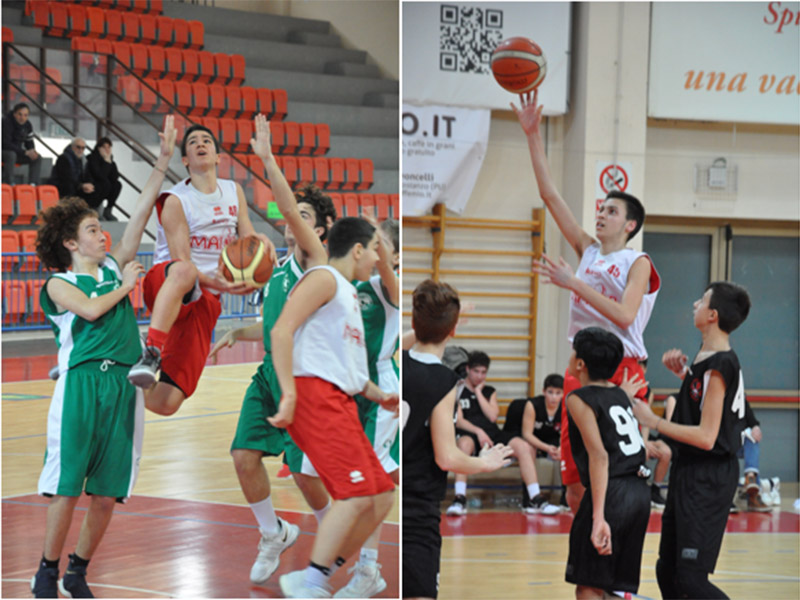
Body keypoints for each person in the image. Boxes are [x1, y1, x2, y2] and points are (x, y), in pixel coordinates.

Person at [30, 117, 176, 599]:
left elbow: (140, 213)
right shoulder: (59, 283)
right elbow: (91, 310)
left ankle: (77, 571)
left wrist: (161, 162)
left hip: (124, 386)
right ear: (72, 243)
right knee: (68, 486)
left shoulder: (114, 265)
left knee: (108, 493)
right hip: (82, 385)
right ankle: (46, 572)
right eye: (93, 230)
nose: (103, 235)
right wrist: (127, 286)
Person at [513, 89, 661, 514]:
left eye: (611, 211)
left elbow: (625, 315)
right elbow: (550, 196)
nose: (601, 214)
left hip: (621, 367)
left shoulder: (637, 262)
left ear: (630, 224)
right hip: (579, 365)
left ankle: (615, 541)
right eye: (601, 208)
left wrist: (573, 284)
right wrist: (532, 134)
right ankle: (588, 544)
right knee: (574, 480)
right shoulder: (588, 249)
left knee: (614, 468)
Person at [207, 115, 337, 586]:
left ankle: (335, 536)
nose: (291, 221)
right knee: (243, 456)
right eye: (291, 216)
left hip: (305, 380)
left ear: (322, 230)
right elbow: (277, 325)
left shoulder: (316, 262)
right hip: (269, 376)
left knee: (304, 476)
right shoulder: (278, 269)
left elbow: (284, 206)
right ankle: (273, 532)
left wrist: (267, 160)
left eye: (304, 217)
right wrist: (239, 333)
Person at [268, 217, 398, 598]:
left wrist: (380, 395)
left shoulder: (349, 294)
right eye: (373, 249)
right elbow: (280, 330)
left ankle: (318, 575)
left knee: (381, 495)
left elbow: (351, 370)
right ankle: (311, 583)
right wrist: (289, 392)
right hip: (314, 396)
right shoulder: (324, 278)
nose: (376, 258)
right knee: (355, 496)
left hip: (341, 400)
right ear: (357, 250)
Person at [126, 122, 276, 418]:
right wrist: (221, 284)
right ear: (185, 160)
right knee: (186, 272)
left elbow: (247, 237)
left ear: (218, 156)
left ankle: (119, 375)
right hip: (168, 284)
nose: (200, 143)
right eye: (193, 141)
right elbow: (183, 261)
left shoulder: (233, 191)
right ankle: (151, 350)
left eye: (206, 140)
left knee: (167, 402)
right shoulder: (176, 200)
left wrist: (260, 247)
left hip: (206, 299)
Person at [632, 281, 751, 600]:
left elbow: (707, 437)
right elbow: (706, 400)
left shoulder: (721, 363)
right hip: (689, 472)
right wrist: (686, 375)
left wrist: (653, 421)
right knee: (666, 569)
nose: (694, 304)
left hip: (708, 477)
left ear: (713, 315)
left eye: (702, 301)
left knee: (691, 580)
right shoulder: (707, 356)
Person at [403, 279, 513, 600]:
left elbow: (404, 338)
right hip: (418, 505)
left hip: (393, 493)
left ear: (414, 322)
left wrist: (434, 319)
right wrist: (485, 462)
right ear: (453, 331)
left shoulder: (397, 361)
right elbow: (446, 457)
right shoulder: (444, 380)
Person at [336, 216, 400, 598]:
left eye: (381, 242)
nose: (373, 247)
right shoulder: (351, 285)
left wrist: (378, 245)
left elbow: (386, 268)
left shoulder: (387, 287)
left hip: (380, 391)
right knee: (381, 473)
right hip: (353, 387)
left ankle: (369, 569)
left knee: (370, 482)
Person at [565, 327, 651, 599]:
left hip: (613, 492)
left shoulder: (578, 398)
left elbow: (600, 456)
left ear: (580, 363)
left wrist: (598, 516)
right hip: (639, 492)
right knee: (615, 585)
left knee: (588, 585)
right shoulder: (620, 394)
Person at [446, 351, 559, 516]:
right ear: (468, 369)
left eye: (483, 372)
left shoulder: (489, 391)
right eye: (476, 371)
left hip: (493, 434)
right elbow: (459, 420)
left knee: (524, 446)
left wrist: (478, 393)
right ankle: (459, 499)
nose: (480, 376)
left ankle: (535, 498)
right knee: (464, 444)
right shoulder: (458, 389)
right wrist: (478, 431)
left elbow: (493, 416)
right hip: (470, 434)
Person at [517, 374, 564, 506]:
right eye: (550, 392)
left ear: (563, 393)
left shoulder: (567, 407)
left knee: (569, 452)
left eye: (558, 393)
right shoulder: (532, 405)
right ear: (544, 392)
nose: (554, 397)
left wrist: (561, 448)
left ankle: (566, 498)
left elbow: (569, 434)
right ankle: (529, 499)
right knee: (528, 449)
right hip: (535, 440)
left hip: (554, 440)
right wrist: (547, 448)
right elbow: (527, 434)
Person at [638, 359, 672, 509]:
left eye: (639, 368)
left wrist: (644, 442)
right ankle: (636, 490)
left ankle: (655, 491)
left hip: (641, 434)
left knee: (665, 452)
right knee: (640, 453)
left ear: (644, 370)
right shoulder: (621, 388)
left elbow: (645, 421)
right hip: (626, 436)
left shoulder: (647, 392)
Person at [48, 138, 103, 206]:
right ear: (72, 147)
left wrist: (89, 184)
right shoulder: (63, 158)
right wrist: (81, 185)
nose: (80, 150)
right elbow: (66, 178)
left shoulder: (83, 159)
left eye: (83, 148)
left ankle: (86, 210)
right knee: (69, 187)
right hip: (62, 186)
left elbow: (86, 174)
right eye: (78, 147)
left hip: (76, 185)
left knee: (98, 188)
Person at [2, 102, 42, 184]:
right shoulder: (5, 122)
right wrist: (24, 152)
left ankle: (33, 184)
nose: (22, 118)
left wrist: (32, 151)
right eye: (20, 114)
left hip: (17, 152)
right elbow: (5, 144)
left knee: (37, 157)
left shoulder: (28, 125)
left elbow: (29, 141)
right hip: (4, 151)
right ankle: (9, 183)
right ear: (14, 114)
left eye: (25, 115)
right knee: (11, 155)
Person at [86, 137, 122, 221]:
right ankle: (94, 210)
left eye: (109, 147)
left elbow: (115, 177)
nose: (107, 150)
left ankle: (108, 210)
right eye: (104, 147)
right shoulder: (92, 158)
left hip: (104, 187)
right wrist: (106, 162)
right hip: (92, 187)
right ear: (99, 148)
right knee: (105, 184)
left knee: (117, 185)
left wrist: (109, 162)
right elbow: (100, 176)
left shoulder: (110, 160)